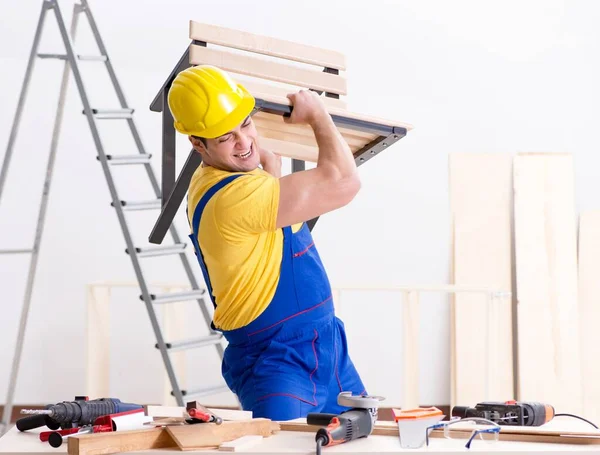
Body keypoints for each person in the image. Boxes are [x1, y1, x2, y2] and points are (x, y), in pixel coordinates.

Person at [167, 65, 366, 420]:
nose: (244, 142)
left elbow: (266, 231)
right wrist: (318, 115)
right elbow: (344, 182)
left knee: (364, 442)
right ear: (197, 143)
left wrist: (269, 168)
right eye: (226, 137)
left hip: (328, 347)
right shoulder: (236, 196)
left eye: (245, 124)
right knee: (283, 446)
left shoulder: (233, 180)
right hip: (276, 361)